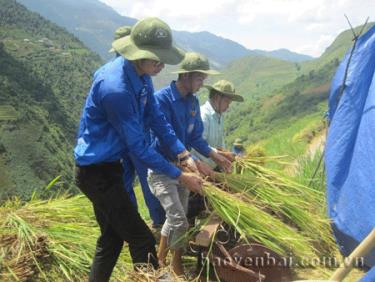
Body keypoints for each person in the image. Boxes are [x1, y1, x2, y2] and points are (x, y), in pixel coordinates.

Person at [74, 17, 203, 282]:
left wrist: (184, 154)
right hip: (96, 173)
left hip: (110, 168)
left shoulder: (141, 76)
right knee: (142, 240)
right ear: (138, 55)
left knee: (111, 240)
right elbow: (139, 147)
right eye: (156, 60)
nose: (161, 65)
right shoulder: (116, 88)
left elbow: (157, 119)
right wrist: (180, 177)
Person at [148, 52, 232, 276]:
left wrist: (214, 156)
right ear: (185, 75)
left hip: (184, 170)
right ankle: (176, 267)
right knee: (180, 221)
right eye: (199, 78)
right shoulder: (162, 100)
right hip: (163, 170)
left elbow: (195, 138)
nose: (202, 83)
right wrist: (194, 161)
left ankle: (160, 257)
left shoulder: (192, 102)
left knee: (176, 217)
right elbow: (166, 140)